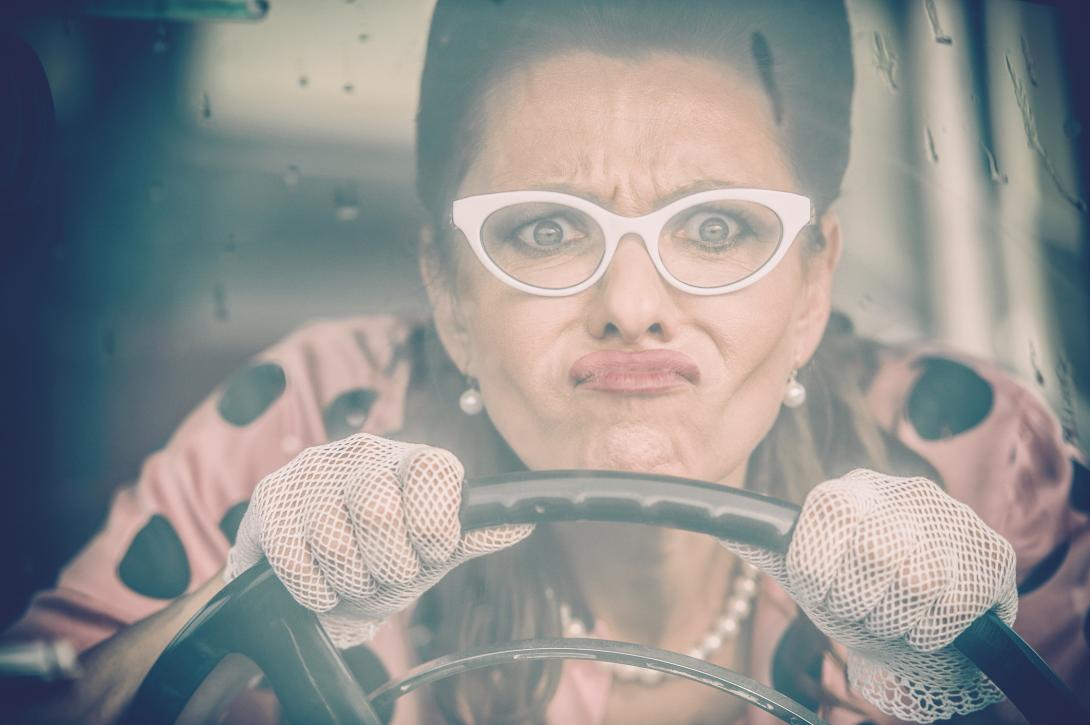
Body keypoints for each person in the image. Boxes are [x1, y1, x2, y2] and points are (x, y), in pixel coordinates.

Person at [4, 1, 1088, 723]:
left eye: (717, 229)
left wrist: (955, 685)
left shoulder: (982, 458)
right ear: (447, 289)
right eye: (542, 230)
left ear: (812, 282)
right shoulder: (302, 420)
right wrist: (238, 600)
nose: (629, 306)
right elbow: (52, 698)